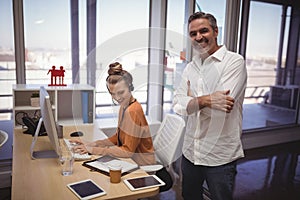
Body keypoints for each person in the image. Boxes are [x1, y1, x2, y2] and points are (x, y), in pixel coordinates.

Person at [173, 12, 247, 200]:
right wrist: (206, 100)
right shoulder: (191, 66)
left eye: (203, 30)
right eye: (193, 33)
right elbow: (178, 105)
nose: (198, 37)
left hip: (219, 156)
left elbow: (223, 106)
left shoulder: (234, 62)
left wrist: (192, 100)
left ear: (215, 32)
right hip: (190, 152)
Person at [72, 62, 172, 192]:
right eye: (113, 94)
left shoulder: (132, 111)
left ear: (130, 87)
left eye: (121, 92)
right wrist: (94, 144)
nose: (117, 98)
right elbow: (118, 137)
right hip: (132, 162)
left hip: (143, 168)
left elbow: (127, 151)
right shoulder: (125, 106)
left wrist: (94, 150)